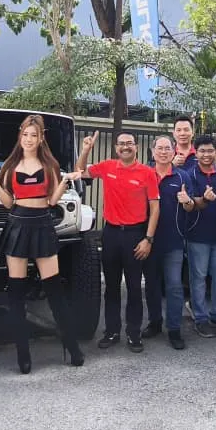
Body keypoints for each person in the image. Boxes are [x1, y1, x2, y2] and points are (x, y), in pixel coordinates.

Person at [0, 114, 85, 373]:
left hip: (42, 224)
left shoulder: (50, 165)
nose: (28, 139)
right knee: (16, 293)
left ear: (40, 139)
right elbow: (7, 202)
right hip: (17, 224)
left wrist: (65, 181)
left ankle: (73, 348)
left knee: (54, 291)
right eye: (25, 134)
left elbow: (51, 201)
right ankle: (23, 355)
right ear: (20, 136)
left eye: (33, 135)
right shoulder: (11, 164)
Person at [76, 131, 160, 353]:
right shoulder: (107, 167)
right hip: (111, 234)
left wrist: (148, 239)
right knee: (111, 287)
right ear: (116, 148)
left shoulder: (147, 173)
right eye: (121, 144)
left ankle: (134, 334)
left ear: (137, 148)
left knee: (133, 288)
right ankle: (111, 332)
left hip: (135, 235)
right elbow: (79, 172)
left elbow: (155, 208)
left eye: (129, 144)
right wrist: (85, 150)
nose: (125, 147)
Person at [141, 136, 192, 349]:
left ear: (174, 152)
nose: (163, 152)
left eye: (167, 148)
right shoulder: (144, 174)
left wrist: (187, 201)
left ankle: (174, 329)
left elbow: (191, 207)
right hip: (148, 241)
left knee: (174, 286)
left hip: (173, 241)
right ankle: (154, 322)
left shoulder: (182, 176)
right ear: (152, 152)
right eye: (159, 148)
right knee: (151, 284)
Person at [183, 135, 216, 338]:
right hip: (197, 236)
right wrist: (204, 199)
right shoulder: (189, 174)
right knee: (199, 278)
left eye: (210, 150)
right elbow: (190, 203)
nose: (206, 155)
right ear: (196, 152)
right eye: (202, 151)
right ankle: (200, 318)